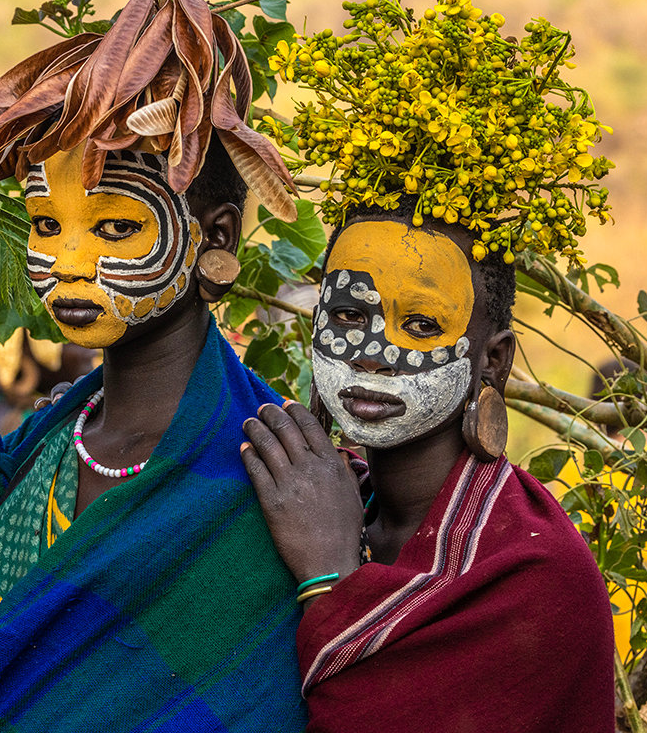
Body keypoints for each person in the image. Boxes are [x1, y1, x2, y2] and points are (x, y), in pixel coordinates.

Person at [0, 0, 308, 732]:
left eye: (115, 228)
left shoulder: (266, 473)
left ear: (216, 236)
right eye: (47, 227)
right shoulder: (27, 455)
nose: (70, 264)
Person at [240, 204, 615, 732]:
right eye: (349, 315)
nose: (371, 355)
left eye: (419, 324)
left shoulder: (539, 570)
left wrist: (329, 577)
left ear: (494, 361)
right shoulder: (299, 499)